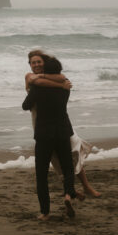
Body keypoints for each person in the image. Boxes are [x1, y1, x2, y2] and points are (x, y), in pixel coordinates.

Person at [25, 50, 102, 200]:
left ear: (45, 63)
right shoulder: (30, 76)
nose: (36, 65)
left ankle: (81, 187)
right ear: (29, 65)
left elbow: (62, 77)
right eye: (33, 62)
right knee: (57, 158)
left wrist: (56, 81)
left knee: (73, 150)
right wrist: (61, 86)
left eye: (39, 62)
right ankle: (71, 190)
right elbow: (40, 82)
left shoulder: (54, 76)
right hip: (40, 119)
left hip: (59, 121)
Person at [23, 53, 78, 220]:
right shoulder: (65, 86)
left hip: (44, 134)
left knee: (41, 174)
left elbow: (25, 106)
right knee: (68, 168)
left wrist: (32, 95)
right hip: (62, 131)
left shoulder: (38, 88)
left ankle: (45, 212)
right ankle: (68, 196)